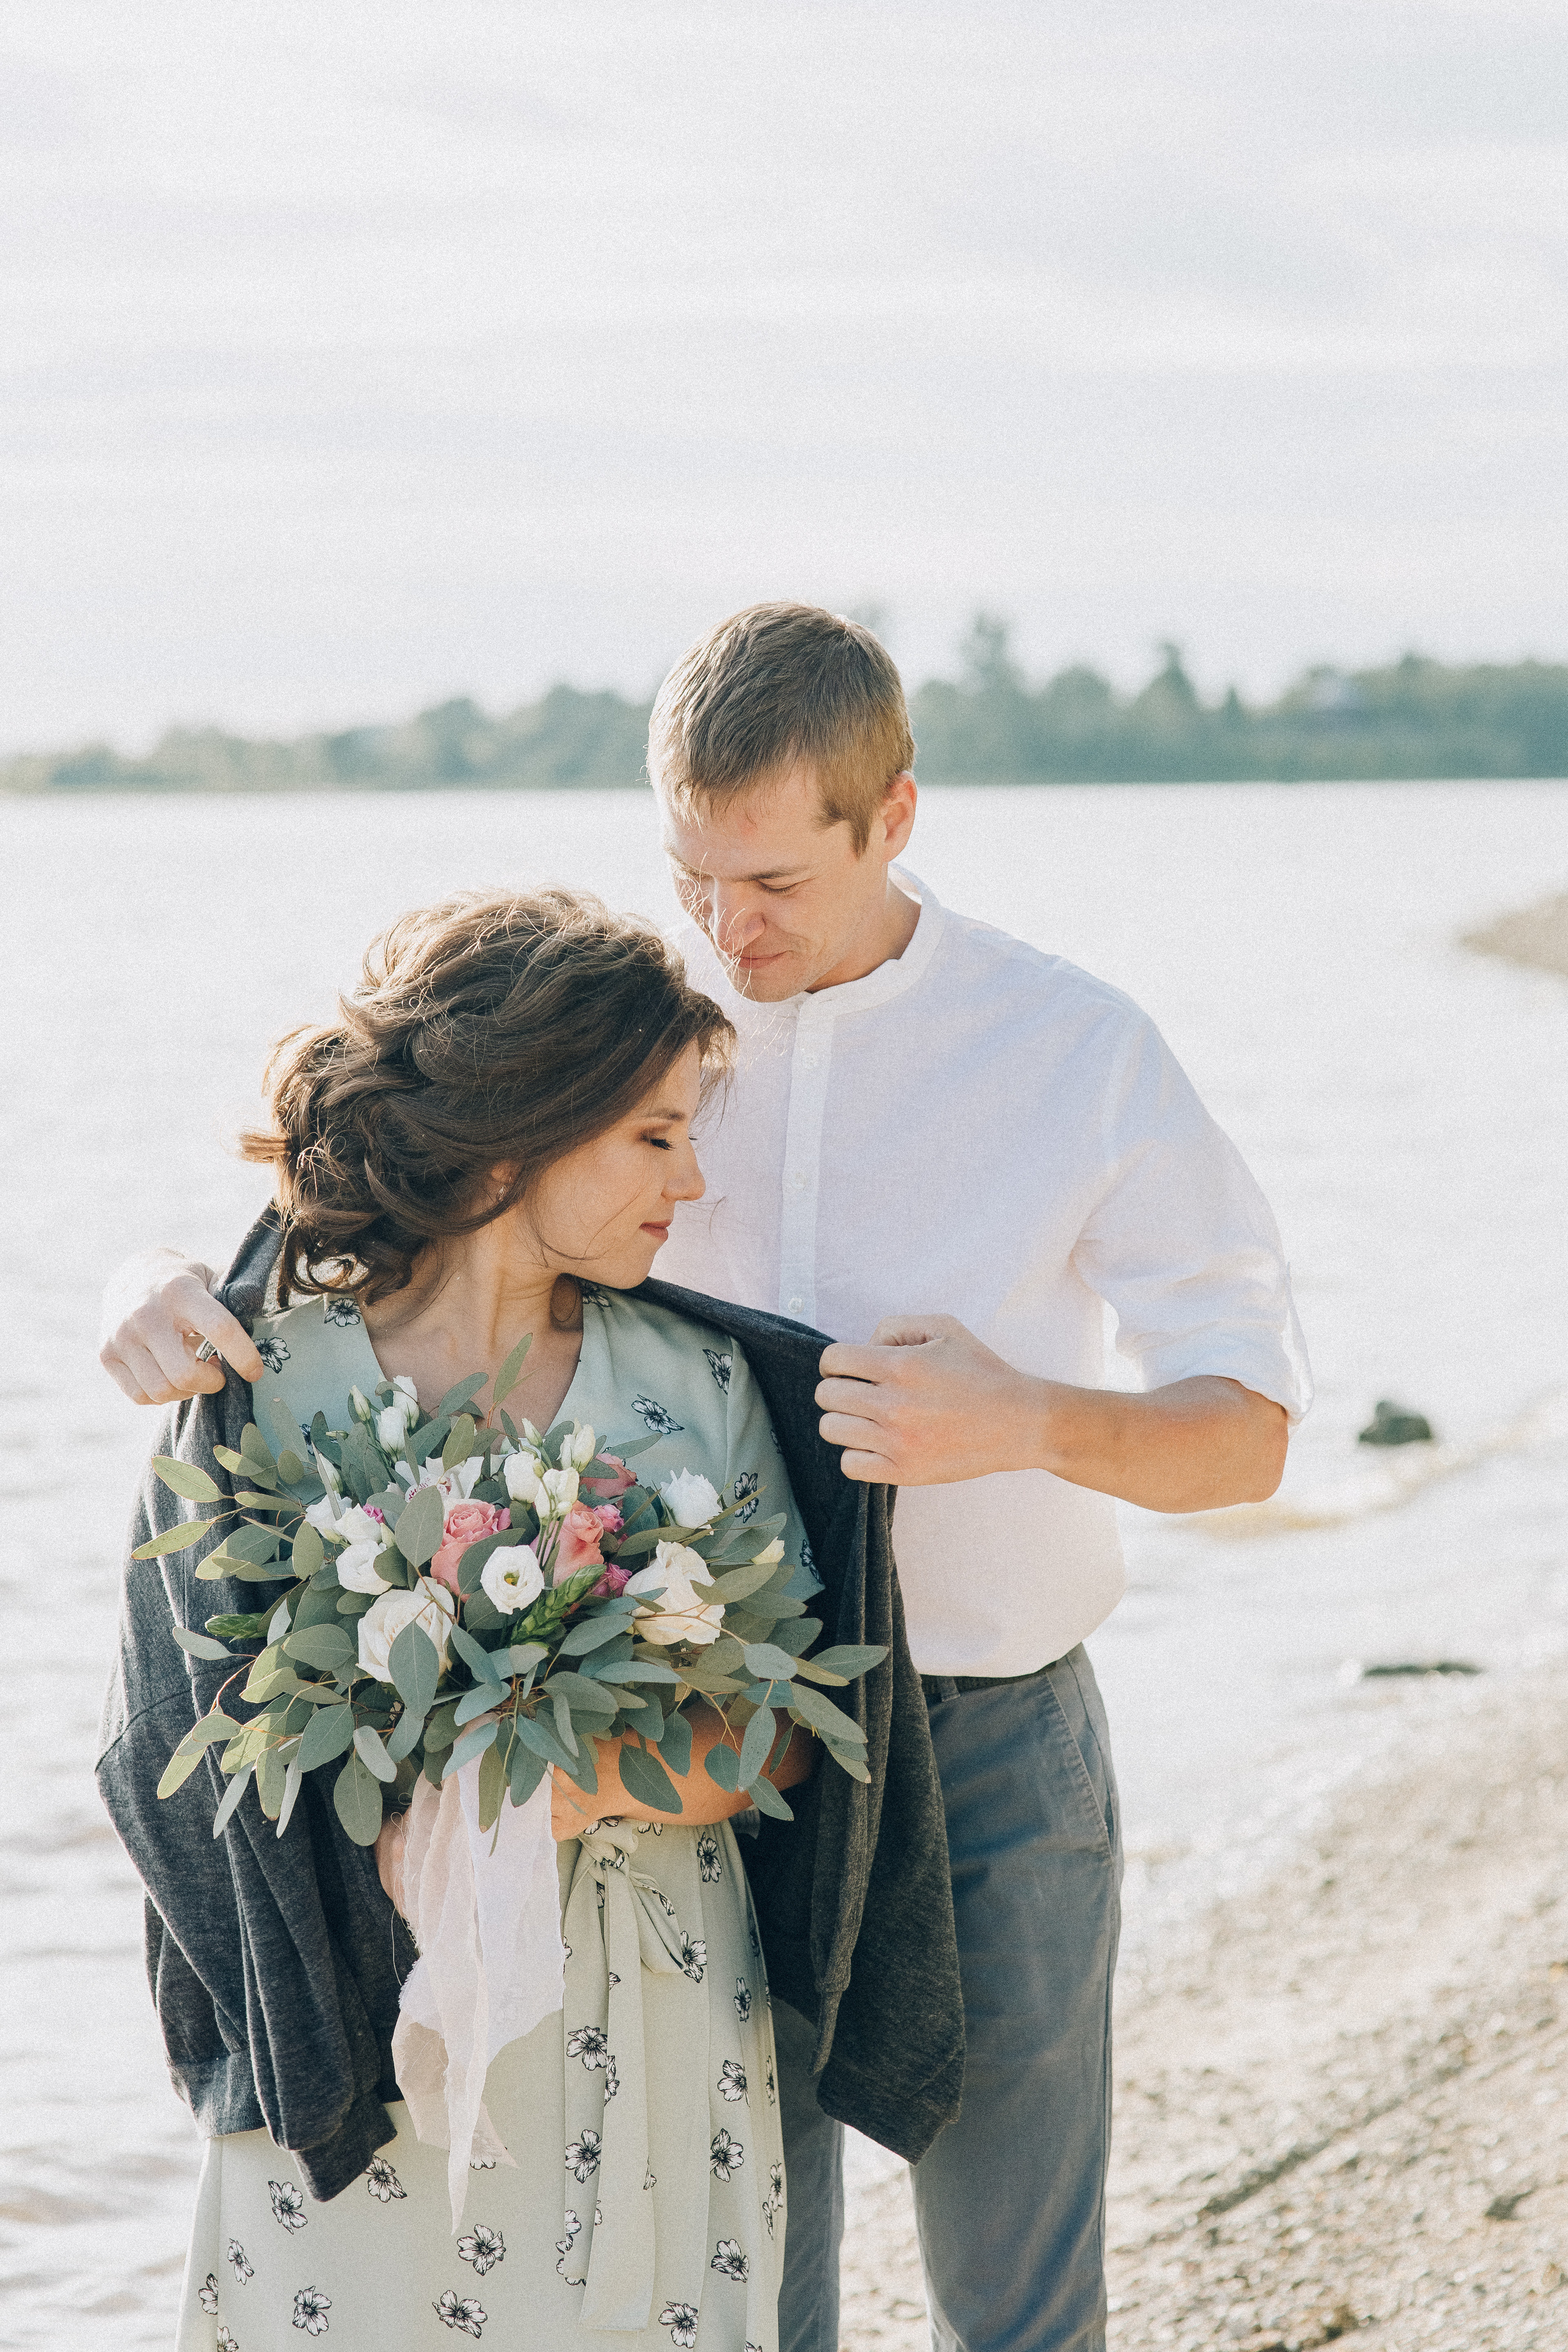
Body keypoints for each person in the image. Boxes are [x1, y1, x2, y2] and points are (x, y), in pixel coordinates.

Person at [102, 603, 1311, 2352]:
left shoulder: (1078, 1050)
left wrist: (1030, 1422)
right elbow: (400, 1176)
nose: (730, 932)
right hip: (697, 1764)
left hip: (982, 1741)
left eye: (774, 887)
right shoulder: (637, 1046)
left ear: (893, 820)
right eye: (693, 879)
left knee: (1021, 2296)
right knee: (742, 2262)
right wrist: (157, 1280)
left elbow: (1253, 1432)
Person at [96, 889, 962, 2352]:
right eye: (653, 1135)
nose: (688, 1183)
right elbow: (176, 1741)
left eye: (691, 1135)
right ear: (520, 1124)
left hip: (658, 2006)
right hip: (363, 2013)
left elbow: (793, 1738)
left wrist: (561, 1789)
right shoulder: (267, 1384)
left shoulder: (703, 1389)